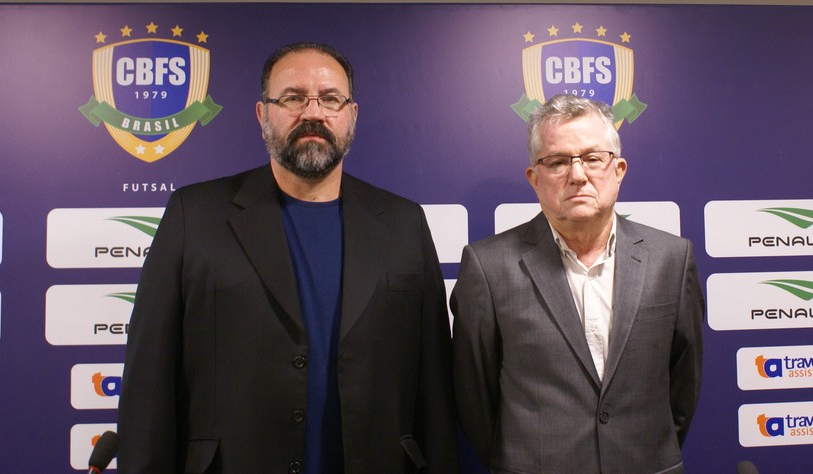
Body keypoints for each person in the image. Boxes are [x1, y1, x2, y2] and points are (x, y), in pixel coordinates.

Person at [118, 42, 458, 474]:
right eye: (293, 98)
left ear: (351, 115)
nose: (312, 113)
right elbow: (149, 381)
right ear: (263, 114)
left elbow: (434, 386)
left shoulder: (403, 222)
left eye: (330, 99)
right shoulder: (194, 215)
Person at [451, 94, 704, 474]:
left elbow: (684, 382)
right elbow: (474, 396)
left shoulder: (671, 257)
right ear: (534, 179)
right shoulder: (489, 267)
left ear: (618, 170)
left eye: (592, 158)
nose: (578, 174)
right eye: (557, 161)